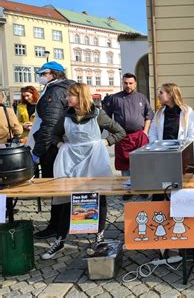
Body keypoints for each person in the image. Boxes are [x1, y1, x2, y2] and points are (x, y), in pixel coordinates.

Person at [39, 83, 125, 259]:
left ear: (80, 97)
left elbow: (120, 131)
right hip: (71, 162)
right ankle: (60, 239)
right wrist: (61, 145)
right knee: (66, 200)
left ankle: (99, 236)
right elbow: (54, 135)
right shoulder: (66, 116)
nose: (66, 98)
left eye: (71, 95)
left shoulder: (98, 115)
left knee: (98, 197)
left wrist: (105, 143)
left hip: (94, 162)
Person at [28, 61, 75, 240]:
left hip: (52, 148)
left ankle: (57, 226)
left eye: (42, 73)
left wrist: (37, 152)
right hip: (55, 145)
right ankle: (60, 224)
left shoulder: (55, 91)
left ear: (53, 74)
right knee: (60, 189)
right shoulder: (59, 88)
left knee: (57, 189)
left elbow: (50, 125)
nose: (40, 76)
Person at [104, 73, 153, 199]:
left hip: (139, 136)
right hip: (122, 137)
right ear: (122, 83)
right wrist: (112, 134)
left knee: (141, 163)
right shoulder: (114, 98)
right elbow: (107, 118)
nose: (128, 85)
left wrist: (145, 132)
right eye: (126, 83)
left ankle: (143, 188)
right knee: (124, 164)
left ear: (135, 84)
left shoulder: (142, 97)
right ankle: (127, 190)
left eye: (131, 83)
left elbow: (148, 115)